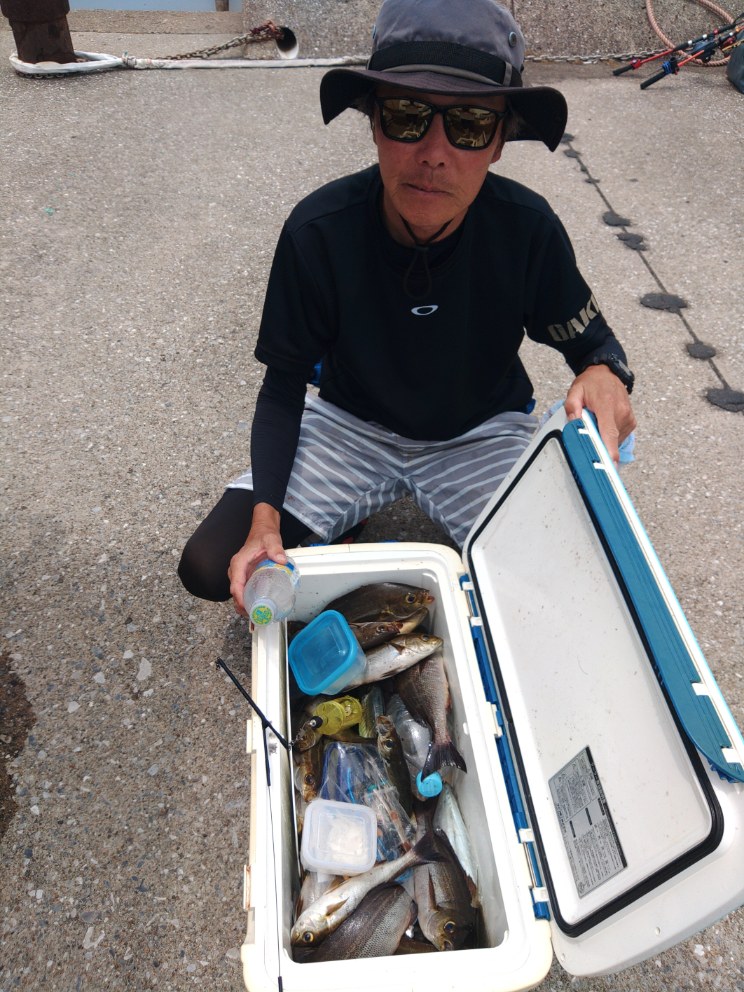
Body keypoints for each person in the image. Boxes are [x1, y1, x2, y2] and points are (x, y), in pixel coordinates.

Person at [178, 0, 636, 614]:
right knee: (213, 564)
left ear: (499, 143)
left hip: (480, 434)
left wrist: (605, 375)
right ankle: (342, 517)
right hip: (350, 427)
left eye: (470, 124)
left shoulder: (526, 229)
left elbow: (595, 347)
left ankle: (343, 529)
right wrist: (265, 521)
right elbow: (283, 387)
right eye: (406, 115)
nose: (434, 153)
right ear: (373, 122)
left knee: (586, 577)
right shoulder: (318, 231)